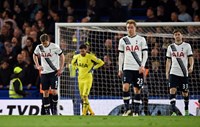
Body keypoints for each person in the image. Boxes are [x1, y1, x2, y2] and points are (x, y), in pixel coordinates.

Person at [118, 19, 148, 116]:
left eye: (131, 27)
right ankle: (127, 109)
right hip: (127, 68)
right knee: (125, 87)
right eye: (128, 28)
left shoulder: (141, 39)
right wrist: (120, 68)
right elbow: (121, 55)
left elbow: (145, 54)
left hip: (138, 68)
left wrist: (143, 66)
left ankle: (136, 111)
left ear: (135, 28)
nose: (130, 29)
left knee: (137, 90)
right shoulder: (122, 40)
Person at [33, 34, 65, 115]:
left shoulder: (55, 47)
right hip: (44, 73)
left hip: (54, 72)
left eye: (45, 43)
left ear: (49, 40)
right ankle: (47, 111)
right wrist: (37, 65)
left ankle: (54, 107)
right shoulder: (39, 47)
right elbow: (34, 55)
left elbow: (62, 56)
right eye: (43, 43)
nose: (44, 45)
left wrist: (61, 68)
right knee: (45, 92)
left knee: (54, 91)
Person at [166, 29, 194, 116]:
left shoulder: (187, 46)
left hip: (184, 73)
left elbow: (190, 57)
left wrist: (191, 66)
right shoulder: (170, 47)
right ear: (173, 36)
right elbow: (168, 60)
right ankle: (173, 111)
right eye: (175, 35)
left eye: (178, 34)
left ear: (181, 36)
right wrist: (167, 72)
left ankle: (186, 109)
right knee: (172, 90)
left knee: (185, 92)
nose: (177, 36)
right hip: (173, 72)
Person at [71, 44, 104, 116]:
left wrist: (93, 68)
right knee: (83, 97)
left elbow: (101, 62)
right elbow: (72, 63)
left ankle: (84, 113)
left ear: (86, 50)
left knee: (85, 95)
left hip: (88, 79)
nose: (82, 53)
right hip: (80, 79)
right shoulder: (77, 57)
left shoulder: (90, 57)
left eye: (83, 51)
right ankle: (92, 112)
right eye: (81, 51)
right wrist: (76, 68)